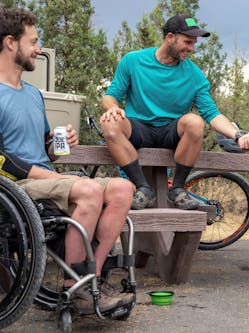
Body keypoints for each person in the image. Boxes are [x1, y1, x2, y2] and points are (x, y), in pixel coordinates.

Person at [0, 7, 134, 314]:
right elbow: (1, 159)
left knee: (121, 190)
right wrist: (51, 178)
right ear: (10, 43)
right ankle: (74, 291)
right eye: (33, 41)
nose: (38, 49)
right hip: (13, 188)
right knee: (88, 190)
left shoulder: (33, 94)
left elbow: (46, 151)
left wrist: (60, 145)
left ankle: (91, 281)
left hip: (45, 182)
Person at [100, 14, 249, 210]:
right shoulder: (133, 61)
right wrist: (113, 108)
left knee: (195, 122)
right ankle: (143, 189)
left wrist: (238, 135)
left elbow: (212, 114)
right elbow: (110, 96)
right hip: (138, 129)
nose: (191, 48)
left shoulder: (194, 75)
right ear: (170, 38)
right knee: (109, 123)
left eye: (194, 43)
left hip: (170, 133)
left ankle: (178, 190)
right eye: (187, 42)